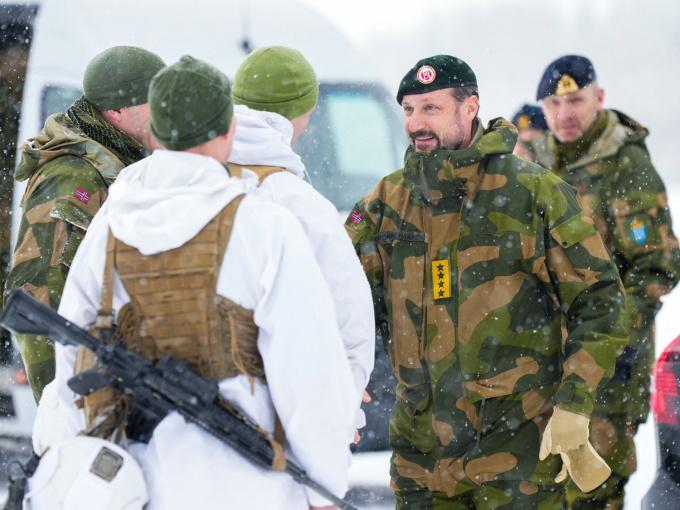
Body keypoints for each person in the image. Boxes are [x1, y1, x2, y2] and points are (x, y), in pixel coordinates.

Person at [36, 55, 355, 510]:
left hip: (132, 484)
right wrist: (324, 484)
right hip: (246, 486)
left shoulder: (110, 225)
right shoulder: (264, 225)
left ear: (156, 130)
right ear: (228, 129)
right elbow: (309, 372)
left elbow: (71, 362)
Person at [344, 54, 628, 510]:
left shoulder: (534, 193)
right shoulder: (386, 203)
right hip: (422, 462)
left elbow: (601, 300)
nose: (416, 123)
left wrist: (575, 403)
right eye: (408, 110)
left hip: (519, 459)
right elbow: (343, 304)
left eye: (431, 108)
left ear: (469, 108)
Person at [524, 55, 680, 510]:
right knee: (538, 488)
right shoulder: (533, 164)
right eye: (554, 103)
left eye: (575, 100)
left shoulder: (625, 162)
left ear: (599, 98)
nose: (565, 114)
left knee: (593, 490)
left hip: (608, 364)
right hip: (540, 361)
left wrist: (606, 336)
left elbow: (658, 266)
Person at [3, 46, 166, 402]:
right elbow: (38, 294)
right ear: (117, 112)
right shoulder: (72, 178)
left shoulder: (121, 163)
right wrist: (68, 407)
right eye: (157, 103)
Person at [228, 46, 375, 440]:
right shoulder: (299, 202)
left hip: (179, 417)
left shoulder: (161, 180)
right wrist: (340, 412)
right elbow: (349, 325)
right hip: (280, 419)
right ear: (303, 114)